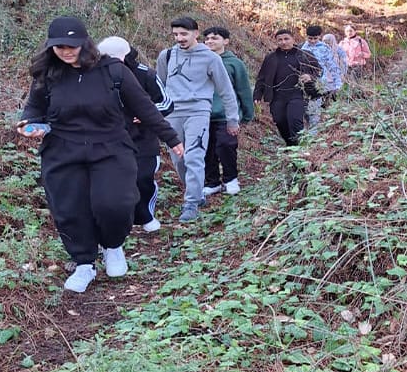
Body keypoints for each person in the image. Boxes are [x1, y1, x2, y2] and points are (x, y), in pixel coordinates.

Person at [17, 16, 183, 293]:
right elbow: (33, 108)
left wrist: (171, 138)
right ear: (50, 47)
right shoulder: (47, 74)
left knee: (115, 203)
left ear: (85, 43)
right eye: (59, 47)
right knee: (69, 209)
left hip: (111, 148)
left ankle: (113, 245)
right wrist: (29, 124)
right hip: (62, 150)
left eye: (72, 46)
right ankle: (84, 263)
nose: (66, 51)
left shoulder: (113, 71)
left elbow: (145, 107)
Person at [157, 16, 240, 223]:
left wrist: (232, 119)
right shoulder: (166, 56)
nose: (179, 38)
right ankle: (195, 191)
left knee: (194, 156)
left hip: (198, 112)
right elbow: (159, 88)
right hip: (172, 113)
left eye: (184, 34)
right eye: (176, 34)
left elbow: (226, 90)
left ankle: (191, 203)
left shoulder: (211, 58)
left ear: (195, 33)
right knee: (179, 159)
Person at [97, 36, 174, 233]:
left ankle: (145, 216)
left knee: (142, 178)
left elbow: (166, 103)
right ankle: (119, 221)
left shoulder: (145, 74)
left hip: (143, 139)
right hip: (111, 139)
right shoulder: (96, 76)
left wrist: (146, 114)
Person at [202, 26, 254, 196]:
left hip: (226, 114)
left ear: (226, 41)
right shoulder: (200, 61)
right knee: (207, 149)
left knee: (226, 146)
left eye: (214, 38)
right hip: (202, 113)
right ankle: (212, 182)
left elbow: (243, 90)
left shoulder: (234, 63)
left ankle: (231, 179)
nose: (210, 41)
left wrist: (247, 114)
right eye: (207, 38)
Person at [253, 29, 321, 146]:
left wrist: (309, 77)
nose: (283, 42)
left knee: (295, 120)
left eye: (286, 39)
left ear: (293, 39)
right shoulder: (271, 58)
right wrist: (257, 95)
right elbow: (262, 77)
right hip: (277, 95)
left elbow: (318, 71)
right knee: (280, 121)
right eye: (280, 40)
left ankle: (300, 147)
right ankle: (290, 145)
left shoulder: (304, 55)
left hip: (298, 94)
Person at [301, 25, 341, 130]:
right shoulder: (302, 48)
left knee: (314, 110)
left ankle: (313, 134)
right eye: (310, 38)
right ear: (306, 36)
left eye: (315, 38)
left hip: (319, 82)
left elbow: (333, 67)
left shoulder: (324, 48)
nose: (312, 41)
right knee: (303, 110)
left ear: (319, 37)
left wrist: (337, 83)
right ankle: (304, 132)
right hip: (303, 83)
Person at [322, 32, 347, 98]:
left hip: (337, 74)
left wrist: (343, 73)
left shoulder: (339, 50)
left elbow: (343, 63)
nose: (326, 44)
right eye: (324, 42)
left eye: (328, 41)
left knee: (336, 92)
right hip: (325, 75)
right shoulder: (322, 50)